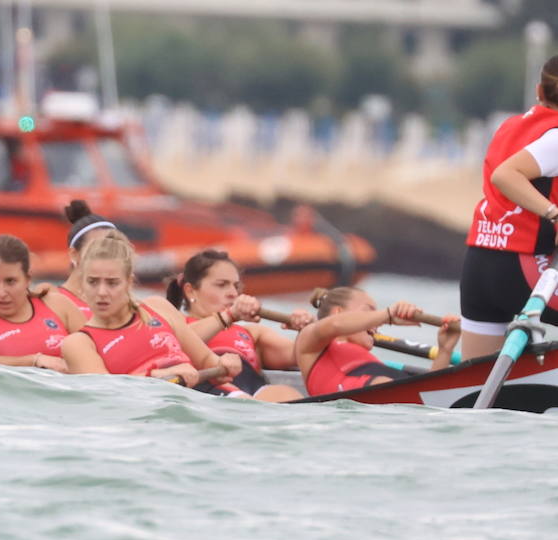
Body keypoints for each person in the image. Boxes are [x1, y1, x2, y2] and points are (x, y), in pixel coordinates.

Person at [459, 55, 558, 359]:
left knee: (472, 380)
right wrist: (554, 214)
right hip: (522, 267)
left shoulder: (510, 126)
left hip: (479, 265)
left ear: (539, 91)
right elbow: (505, 175)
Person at [60, 234, 228, 387]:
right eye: (93, 282)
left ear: (128, 282)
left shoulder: (158, 307)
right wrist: (156, 374)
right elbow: (107, 393)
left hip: (200, 396)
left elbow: (207, 360)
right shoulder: (78, 343)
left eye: (112, 283)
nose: (102, 292)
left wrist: (226, 362)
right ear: (82, 283)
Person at [161, 249, 309, 402]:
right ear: (190, 291)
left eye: (236, 286)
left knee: (284, 393)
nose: (233, 293)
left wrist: (307, 331)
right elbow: (176, 345)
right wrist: (229, 316)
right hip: (203, 393)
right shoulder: (174, 324)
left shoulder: (254, 333)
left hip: (253, 394)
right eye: (221, 285)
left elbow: (302, 355)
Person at [0, 234, 87, 371]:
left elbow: (95, 348)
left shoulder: (58, 305)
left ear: (28, 279)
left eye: (10, 281)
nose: (1, 293)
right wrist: (35, 360)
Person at [296, 287, 460, 396]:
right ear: (338, 312)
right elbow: (335, 324)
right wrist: (388, 315)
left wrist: (444, 351)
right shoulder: (310, 338)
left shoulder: (371, 364)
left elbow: (429, 396)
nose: (377, 322)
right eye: (369, 312)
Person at [54, 200, 121, 321]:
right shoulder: (52, 303)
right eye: (97, 249)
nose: (108, 256)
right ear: (74, 254)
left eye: (113, 248)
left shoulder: (123, 305)